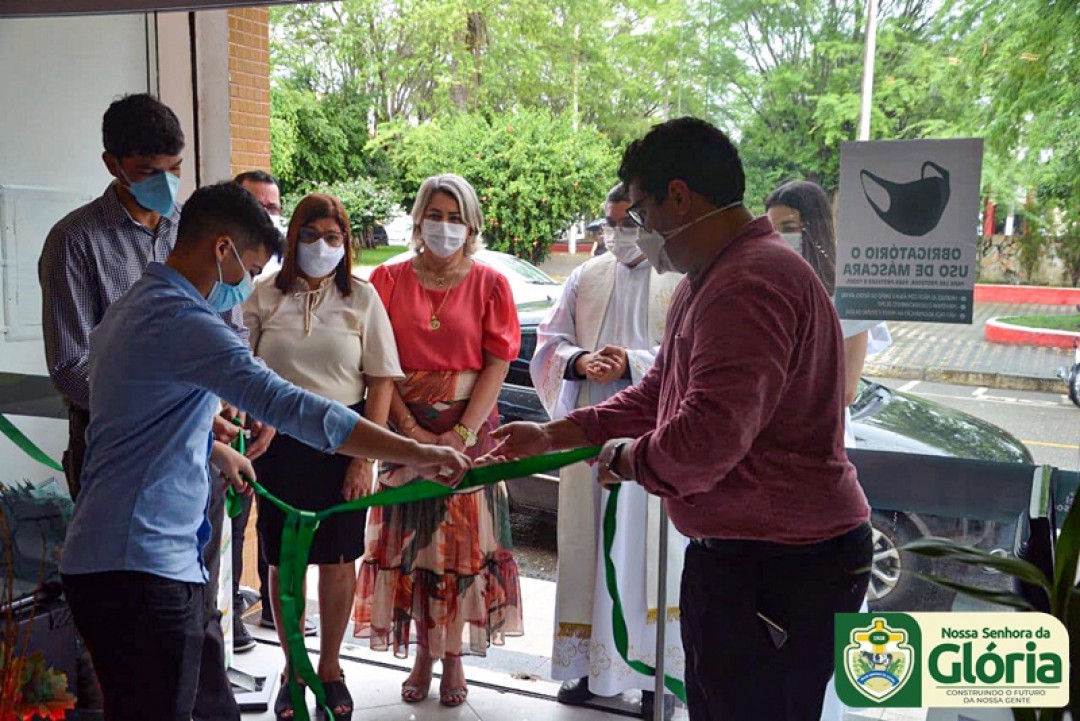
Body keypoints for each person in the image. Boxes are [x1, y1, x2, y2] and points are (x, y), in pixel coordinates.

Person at [484, 118, 873, 721]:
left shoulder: (749, 283)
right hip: (742, 554)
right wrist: (554, 433)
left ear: (680, 196)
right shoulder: (711, 277)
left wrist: (623, 459)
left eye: (640, 212)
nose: (639, 231)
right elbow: (659, 391)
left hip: (784, 563)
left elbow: (704, 441)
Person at [58, 182, 469, 721]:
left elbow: (140, 417)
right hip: (140, 565)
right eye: (250, 268)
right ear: (222, 250)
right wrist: (413, 452)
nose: (248, 284)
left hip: (140, 556)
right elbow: (298, 409)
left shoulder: (136, 304)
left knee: (207, 707)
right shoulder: (189, 324)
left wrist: (213, 447)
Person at [38, 93, 255, 720]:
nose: (163, 183)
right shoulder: (76, 241)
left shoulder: (199, 231)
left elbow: (230, 332)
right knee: (138, 625)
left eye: (173, 167)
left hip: (201, 453)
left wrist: (230, 407)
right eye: (146, 170)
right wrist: (173, 403)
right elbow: (71, 365)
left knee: (198, 605)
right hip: (119, 457)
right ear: (112, 163)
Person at [352, 173, 523, 708]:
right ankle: (422, 654)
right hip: (402, 431)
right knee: (410, 547)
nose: (444, 227)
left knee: (460, 551)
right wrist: (412, 434)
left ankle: (453, 658)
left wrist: (460, 434)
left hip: (469, 434)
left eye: (455, 218)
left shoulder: (492, 284)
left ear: (470, 225)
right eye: (435, 215)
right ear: (419, 220)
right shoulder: (386, 279)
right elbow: (378, 365)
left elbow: (498, 361)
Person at [243, 192, 403, 720]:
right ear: (292, 239)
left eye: (333, 238)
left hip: (344, 442)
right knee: (281, 557)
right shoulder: (264, 295)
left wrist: (365, 459)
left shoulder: (362, 297)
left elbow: (380, 380)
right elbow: (236, 367)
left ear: (347, 244)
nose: (321, 246)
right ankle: (294, 666)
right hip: (278, 444)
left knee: (338, 558)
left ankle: (329, 667)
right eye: (310, 236)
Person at [531, 182, 681, 721]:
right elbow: (549, 342)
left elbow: (688, 359)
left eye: (627, 222)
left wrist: (633, 363)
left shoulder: (680, 278)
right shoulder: (586, 276)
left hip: (652, 437)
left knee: (648, 555)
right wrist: (579, 362)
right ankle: (589, 668)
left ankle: (651, 674)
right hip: (592, 438)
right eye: (609, 223)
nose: (616, 233)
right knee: (586, 547)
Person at [764, 180, 892, 721]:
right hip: (768, 455)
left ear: (814, 228)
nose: (779, 239)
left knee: (823, 603)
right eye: (770, 229)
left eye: (789, 228)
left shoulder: (848, 291)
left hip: (822, 451)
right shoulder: (765, 284)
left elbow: (842, 391)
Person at [229, 169, 309, 654]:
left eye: (273, 207)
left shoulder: (277, 278)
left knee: (271, 524)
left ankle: (262, 612)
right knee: (232, 523)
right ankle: (228, 615)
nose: (266, 215)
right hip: (229, 422)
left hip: (265, 417)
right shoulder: (219, 284)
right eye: (255, 205)